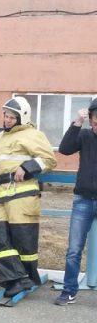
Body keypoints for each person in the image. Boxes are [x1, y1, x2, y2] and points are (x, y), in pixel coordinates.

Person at [0, 95, 56, 298]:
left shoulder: (33, 135)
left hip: (23, 195)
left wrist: (27, 166)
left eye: (11, 117)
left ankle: (24, 278)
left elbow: (49, 159)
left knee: (23, 242)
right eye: (5, 116)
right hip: (1, 193)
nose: (6, 120)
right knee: (0, 239)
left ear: (22, 117)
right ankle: (16, 279)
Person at [52, 97, 97, 305]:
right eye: (95, 118)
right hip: (84, 201)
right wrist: (77, 122)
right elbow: (65, 148)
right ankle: (69, 291)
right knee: (74, 249)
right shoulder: (85, 135)